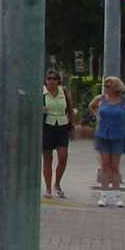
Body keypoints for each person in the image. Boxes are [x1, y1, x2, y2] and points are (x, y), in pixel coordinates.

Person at [88, 75, 125, 207]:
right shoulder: (101, 99)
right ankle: (104, 195)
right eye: (105, 86)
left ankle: (117, 195)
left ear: (115, 88)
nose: (106, 89)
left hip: (118, 135)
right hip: (102, 135)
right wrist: (97, 116)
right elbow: (92, 106)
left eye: (108, 86)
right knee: (105, 166)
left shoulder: (123, 100)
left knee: (115, 166)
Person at [41, 70, 77, 198]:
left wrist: (72, 128)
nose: (51, 81)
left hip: (62, 125)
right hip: (47, 126)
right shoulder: (42, 93)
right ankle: (48, 187)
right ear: (45, 80)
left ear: (58, 81)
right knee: (47, 158)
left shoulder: (64, 92)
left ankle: (57, 183)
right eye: (49, 78)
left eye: (54, 79)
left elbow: (70, 110)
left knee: (62, 157)